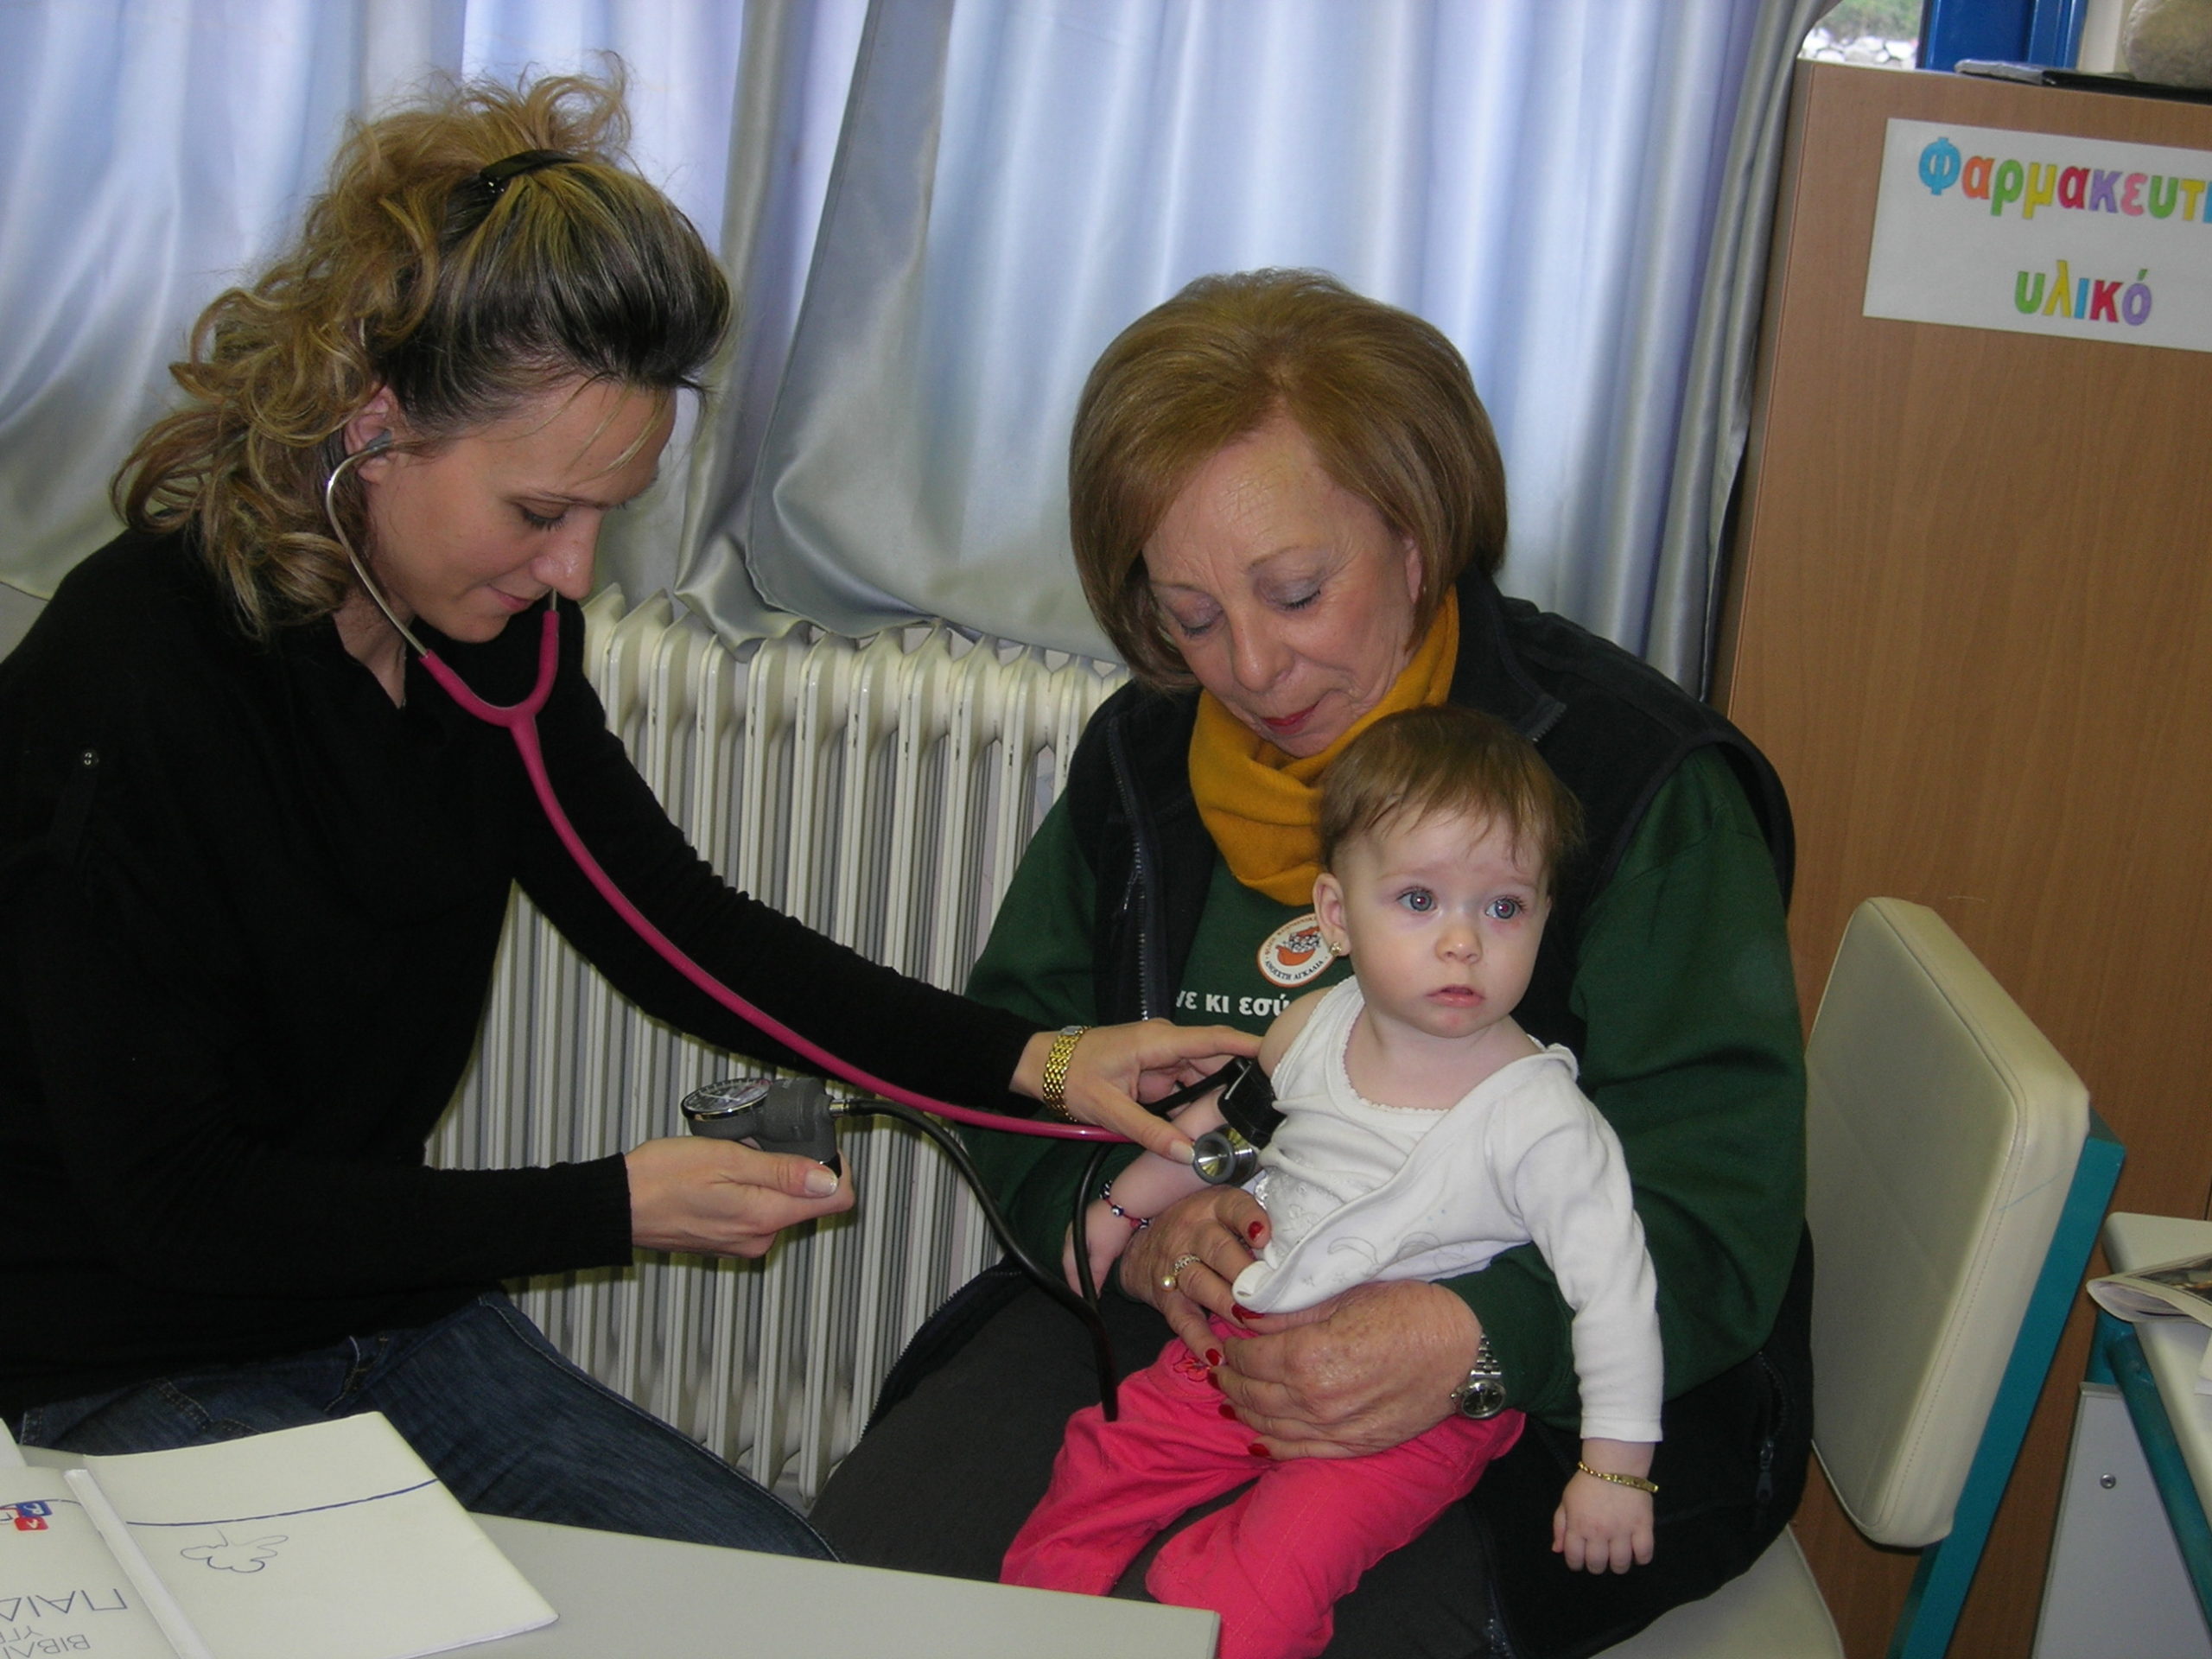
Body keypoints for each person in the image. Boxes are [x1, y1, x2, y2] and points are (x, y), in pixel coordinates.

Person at [0, 69, 1252, 1557]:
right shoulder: (133, 680)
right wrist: (609, 1207)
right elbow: (178, 1207)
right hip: (106, 1363)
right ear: (374, 429)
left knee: (794, 1601)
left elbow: (679, 928)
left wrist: (1039, 1064)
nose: (577, 577)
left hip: (374, 1319)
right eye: (542, 513)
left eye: (612, 512)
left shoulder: (490, 650)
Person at [810, 269, 1811, 1658]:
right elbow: (1020, 1054)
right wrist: (1138, 1239)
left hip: (1536, 1383)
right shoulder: (1144, 756)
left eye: (1296, 592)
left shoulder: (1633, 781)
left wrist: (1468, 1338)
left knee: (1251, 1629)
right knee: (864, 1590)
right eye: (1191, 614)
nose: (1252, 668)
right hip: (1190, 1328)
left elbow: (1712, 1208)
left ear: (1416, 535)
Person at [1003, 706, 1663, 1659]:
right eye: (1419, 899)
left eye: (1504, 908)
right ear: (1336, 915)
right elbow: (1218, 1133)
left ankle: (1206, 1606)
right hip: (1244, 1338)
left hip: (1413, 1414)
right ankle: (1030, 1629)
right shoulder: (1311, 1027)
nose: (1463, 942)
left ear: (1544, 917)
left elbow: (1616, 1294)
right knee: (1098, 1465)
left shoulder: (1545, 1122)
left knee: (1266, 1583)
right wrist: (1113, 1212)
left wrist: (1615, 1471)